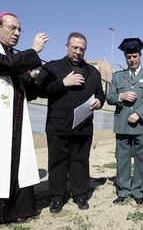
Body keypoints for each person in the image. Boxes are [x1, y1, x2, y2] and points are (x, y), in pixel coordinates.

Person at [0, 12, 48, 228]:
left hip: (14, 122)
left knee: (15, 163)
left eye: (20, 29)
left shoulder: (14, 58)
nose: (17, 33)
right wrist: (34, 52)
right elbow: (2, 63)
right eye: (13, 28)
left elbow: (30, 93)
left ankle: (13, 212)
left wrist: (30, 77)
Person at [37, 32, 105, 214]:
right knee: (58, 162)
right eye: (75, 48)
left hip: (83, 126)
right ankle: (57, 197)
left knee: (80, 161)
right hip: (58, 125)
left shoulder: (93, 72)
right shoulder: (53, 67)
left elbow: (100, 93)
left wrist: (99, 101)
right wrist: (63, 83)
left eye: (82, 49)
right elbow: (40, 90)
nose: (78, 52)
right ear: (66, 46)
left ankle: (80, 194)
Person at [106, 38, 143, 205]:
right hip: (122, 125)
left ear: (140, 55)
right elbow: (110, 97)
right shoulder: (117, 76)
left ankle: (138, 191)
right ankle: (123, 190)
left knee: (142, 160)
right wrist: (121, 96)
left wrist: (140, 114)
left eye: (135, 56)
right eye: (129, 57)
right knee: (122, 159)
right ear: (125, 58)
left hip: (142, 124)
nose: (132, 59)